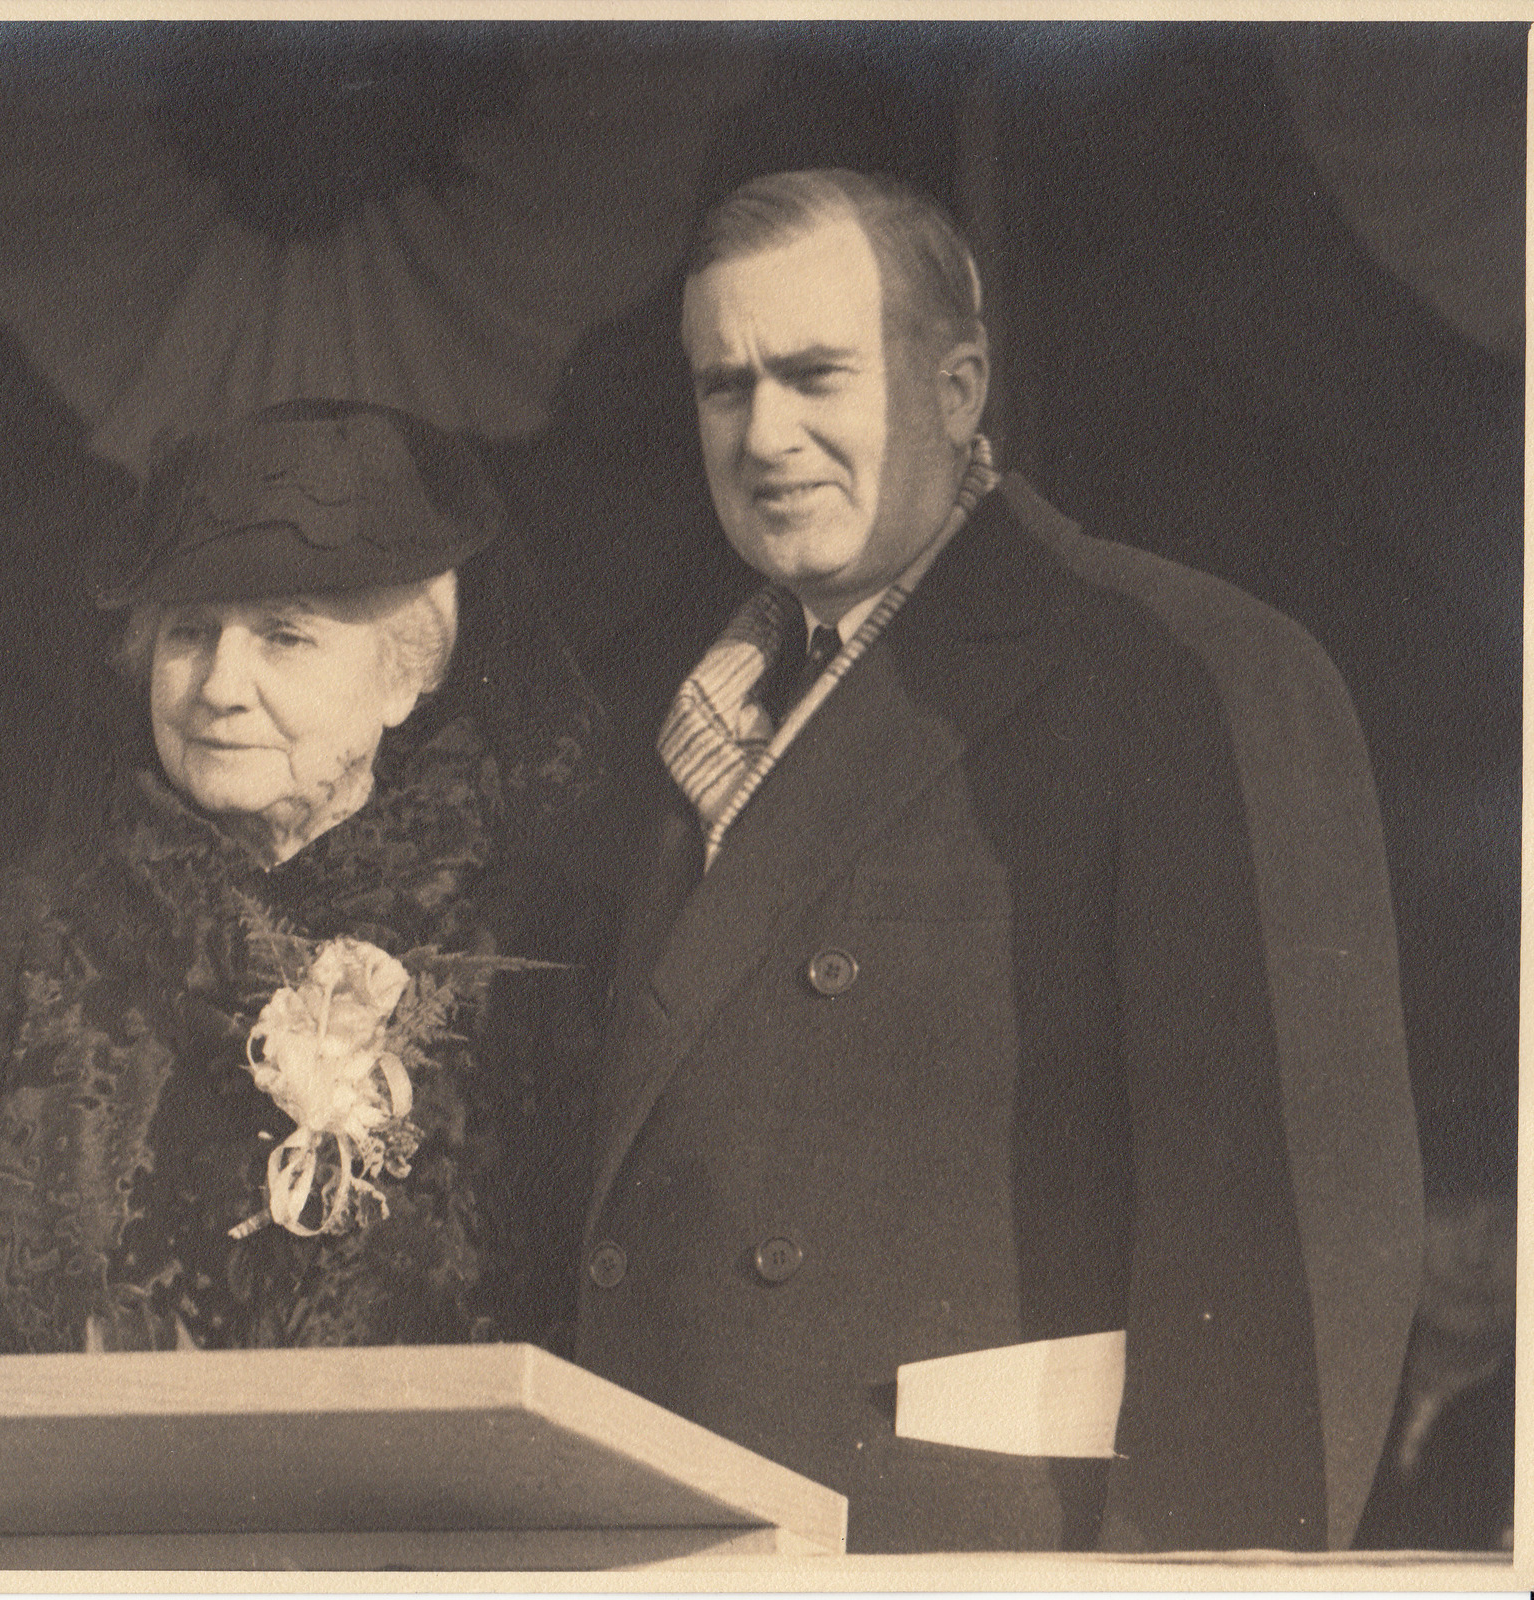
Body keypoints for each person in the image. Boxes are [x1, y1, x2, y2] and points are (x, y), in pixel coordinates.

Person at [571, 169, 1421, 1553]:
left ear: (956, 387)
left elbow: (1283, 1258)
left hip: (975, 1544)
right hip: (678, 1532)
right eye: (724, 387)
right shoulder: (698, 706)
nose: (764, 434)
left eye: (815, 375)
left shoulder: (1184, 671)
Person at [0, 399, 606, 1358]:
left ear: (405, 674)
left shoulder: (535, 970)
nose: (220, 688)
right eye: (190, 633)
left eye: (285, 635)